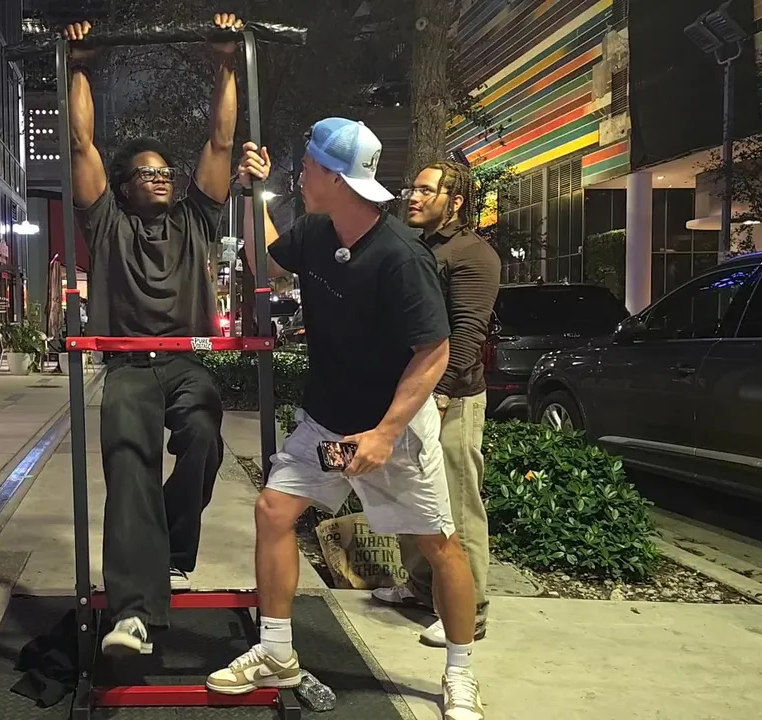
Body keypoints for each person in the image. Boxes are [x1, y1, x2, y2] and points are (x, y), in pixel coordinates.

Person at [213, 120, 484, 720]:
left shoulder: (401, 257)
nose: (300, 178)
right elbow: (266, 261)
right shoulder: (316, 231)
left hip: (393, 431)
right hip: (327, 424)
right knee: (273, 511)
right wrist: (255, 193)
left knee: (440, 546)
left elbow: (434, 352)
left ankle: (460, 673)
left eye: (307, 168)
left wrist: (386, 433)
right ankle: (276, 651)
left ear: (335, 177)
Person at [62, 14, 241, 656]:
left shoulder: (196, 220)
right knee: (128, 465)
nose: (160, 176)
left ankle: (167, 548)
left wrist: (226, 63)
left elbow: (220, 142)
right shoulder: (107, 224)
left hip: (188, 365)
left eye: (166, 170)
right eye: (146, 172)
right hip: (130, 368)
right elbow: (81, 144)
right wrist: (78, 68)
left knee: (204, 439)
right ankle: (133, 613)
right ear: (123, 187)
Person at [373, 162, 501, 648]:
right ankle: (422, 588)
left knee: (457, 503)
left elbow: (467, 333)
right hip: (407, 393)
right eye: (413, 188)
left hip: (453, 397)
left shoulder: (473, 255)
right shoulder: (417, 247)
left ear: (456, 201)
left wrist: (441, 393)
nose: (413, 196)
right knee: (412, 495)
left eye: (426, 190)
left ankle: (472, 611)